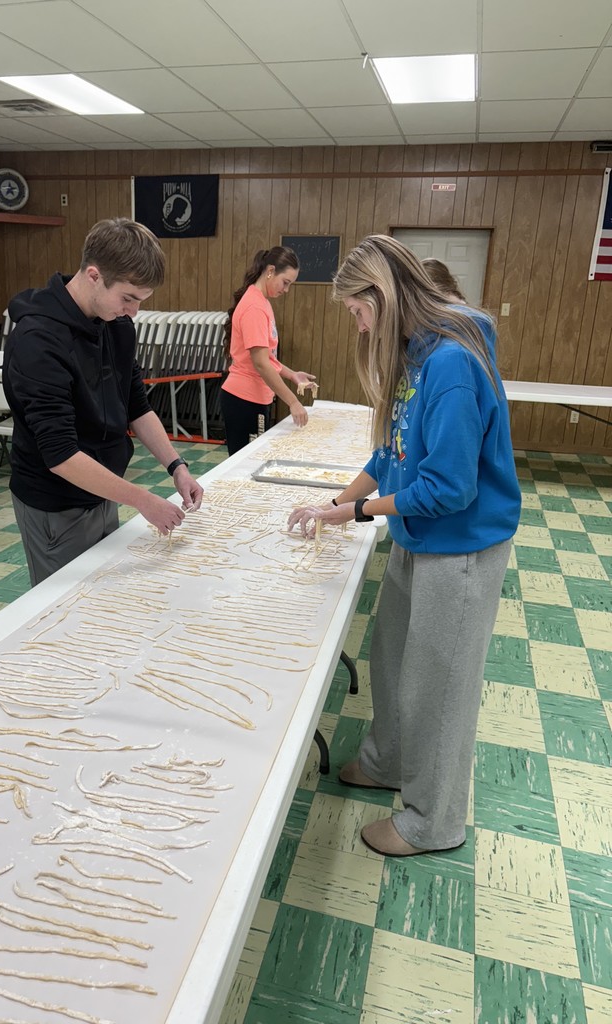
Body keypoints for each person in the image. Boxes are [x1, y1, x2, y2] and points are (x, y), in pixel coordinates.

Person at [288, 235, 521, 857]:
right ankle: (387, 760)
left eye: (357, 311)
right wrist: (336, 504)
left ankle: (432, 822)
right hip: (418, 536)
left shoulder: (450, 363)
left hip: (461, 546)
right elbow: (389, 451)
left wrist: (359, 512)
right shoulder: (415, 356)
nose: (358, 325)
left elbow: (448, 487)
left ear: (383, 297)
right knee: (392, 659)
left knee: (438, 686)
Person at [3, 217, 204, 587]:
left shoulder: (115, 324)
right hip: (56, 502)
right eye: (128, 298)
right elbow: (61, 455)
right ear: (94, 275)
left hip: (103, 489)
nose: (133, 311)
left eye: (140, 301)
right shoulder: (38, 340)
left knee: (101, 591)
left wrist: (177, 466)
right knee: (64, 603)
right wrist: (142, 500)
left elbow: (137, 405)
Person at [220, 246, 316, 455]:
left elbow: (267, 357)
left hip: (255, 397)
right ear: (270, 271)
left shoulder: (261, 302)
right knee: (246, 464)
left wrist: (292, 375)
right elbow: (261, 363)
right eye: (285, 282)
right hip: (244, 399)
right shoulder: (254, 307)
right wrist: (293, 402)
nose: (286, 290)